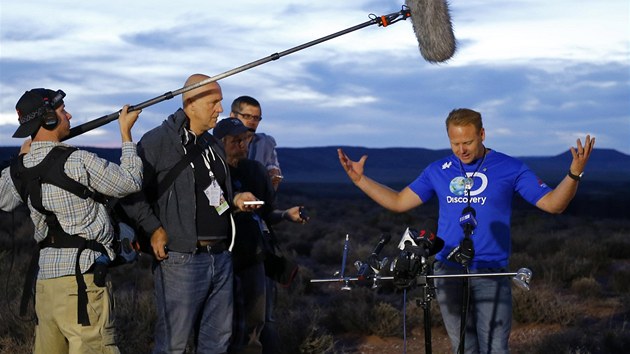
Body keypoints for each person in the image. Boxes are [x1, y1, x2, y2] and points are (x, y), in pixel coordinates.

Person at [338, 108, 595, 354]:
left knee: (495, 348)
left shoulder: (511, 168)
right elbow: (398, 202)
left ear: (482, 135)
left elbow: (553, 204)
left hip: (491, 271)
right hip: (447, 271)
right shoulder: (438, 170)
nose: (461, 150)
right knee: (462, 347)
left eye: (468, 142)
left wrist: (574, 173)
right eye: (455, 143)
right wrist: (361, 180)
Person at [121, 74, 260, 354]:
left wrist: (235, 200)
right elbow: (128, 191)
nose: (220, 109)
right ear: (191, 103)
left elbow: (214, 194)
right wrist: (153, 229)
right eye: (214, 102)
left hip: (221, 257)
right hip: (181, 260)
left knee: (217, 341)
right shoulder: (159, 141)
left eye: (220, 102)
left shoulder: (211, 146)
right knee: (174, 344)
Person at [0, 88, 143, 353]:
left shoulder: (18, 170)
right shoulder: (77, 160)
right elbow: (130, 182)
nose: (69, 114)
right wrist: (126, 135)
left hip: (45, 287)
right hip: (83, 285)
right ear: (48, 119)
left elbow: (4, 201)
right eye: (62, 110)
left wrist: (21, 157)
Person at [213, 118, 306, 354]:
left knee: (254, 325)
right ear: (220, 143)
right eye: (235, 141)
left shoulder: (255, 171)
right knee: (218, 326)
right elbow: (211, 207)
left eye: (245, 140)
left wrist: (286, 214)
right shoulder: (210, 171)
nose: (242, 145)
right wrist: (235, 204)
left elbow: (267, 213)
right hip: (218, 256)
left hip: (252, 255)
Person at [229, 96, 283, 190]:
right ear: (233, 116)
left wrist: (273, 174)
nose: (252, 122)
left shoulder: (265, 143)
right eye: (246, 116)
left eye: (256, 118)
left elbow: (272, 166)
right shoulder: (217, 144)